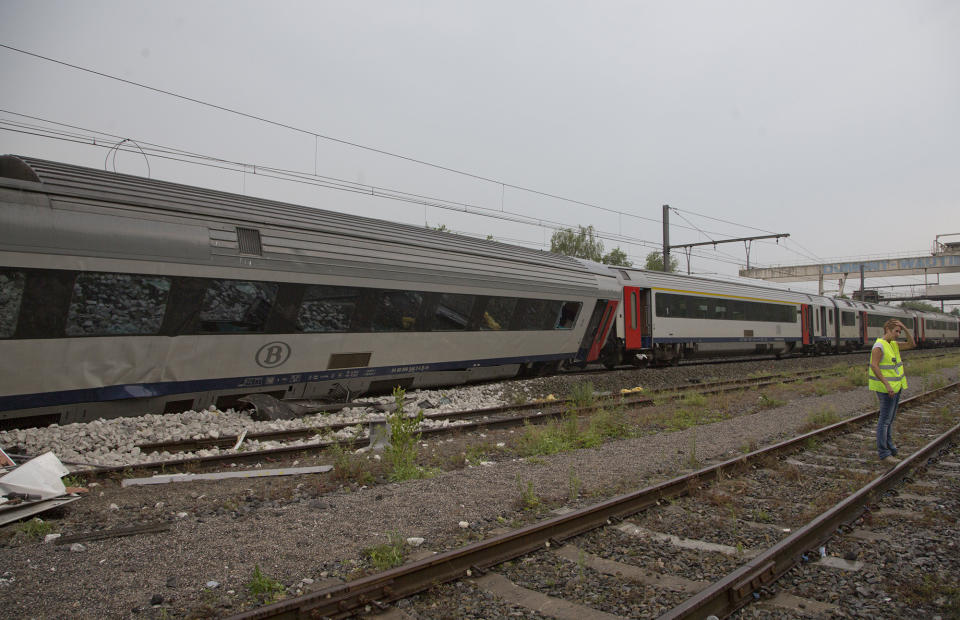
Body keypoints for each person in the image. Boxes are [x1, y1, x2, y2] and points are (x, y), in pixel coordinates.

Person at [868, 318, 915, 464]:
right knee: (884, 421)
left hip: (896, 387)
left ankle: (891, 448)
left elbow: (912, 344)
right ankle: (884, 453)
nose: (898, 334)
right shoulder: (879, 346)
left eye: (900, 332)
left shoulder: (892, 344)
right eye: (896, 331)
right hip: (886, 389)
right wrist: (887, 385)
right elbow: (874, 366)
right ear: (887, 330)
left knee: (889, 420)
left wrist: (905, 328)